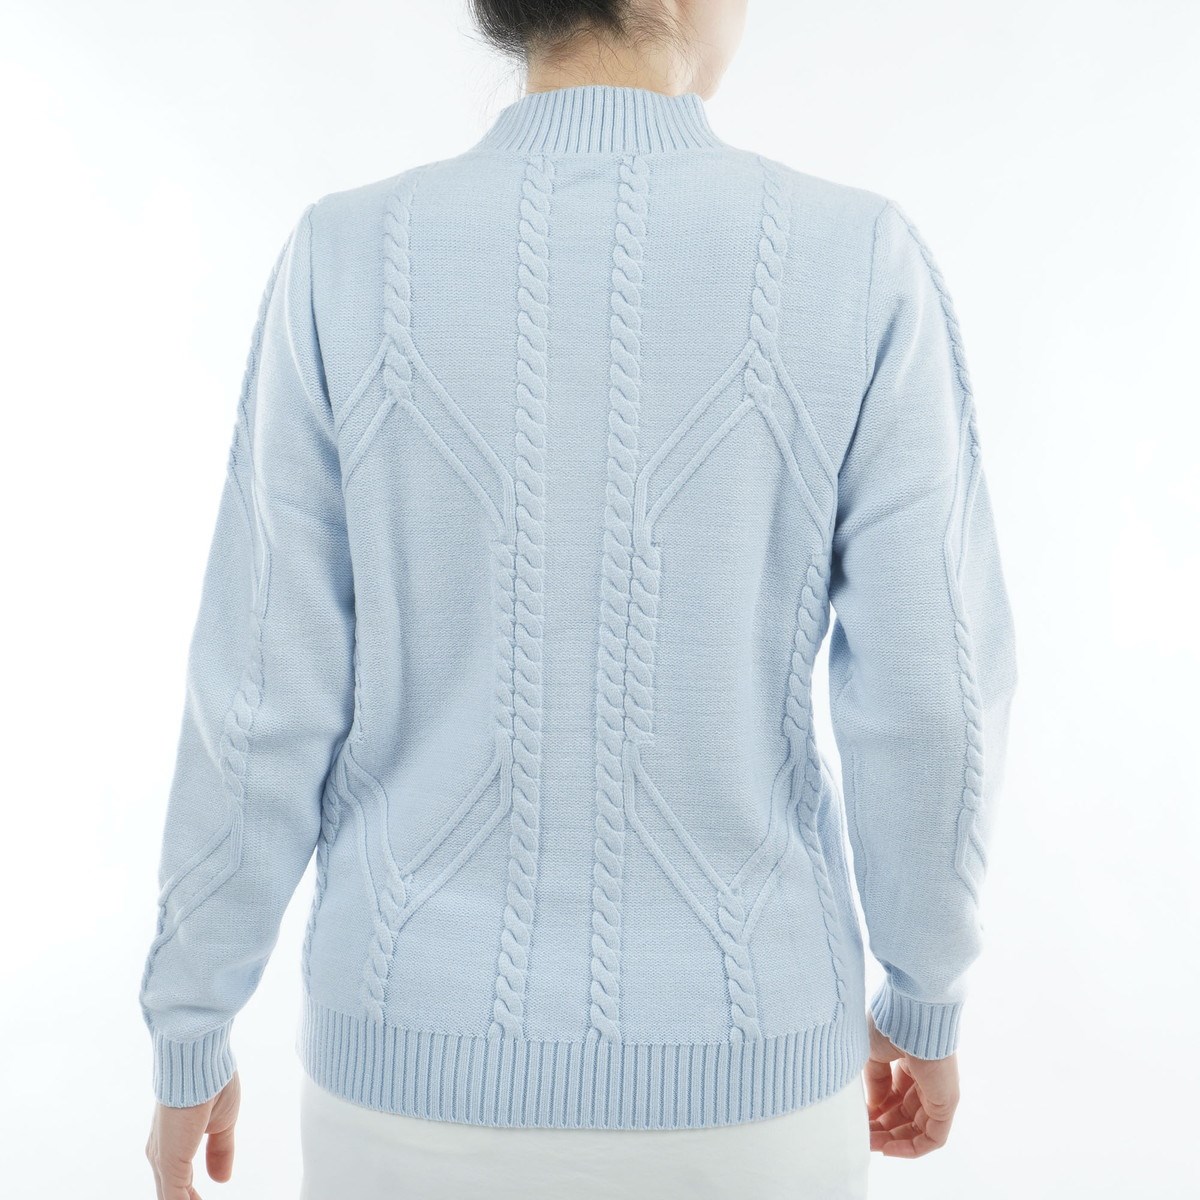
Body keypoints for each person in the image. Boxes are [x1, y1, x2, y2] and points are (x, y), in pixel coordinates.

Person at [138, 1, 1019, 1197]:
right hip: (750, 1089)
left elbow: (260, 696)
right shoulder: (860, 257)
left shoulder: (342, 255)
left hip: (403, 1079)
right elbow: (933, 699)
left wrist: (193, 1022)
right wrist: (924, 997)